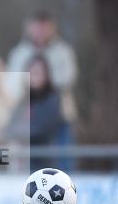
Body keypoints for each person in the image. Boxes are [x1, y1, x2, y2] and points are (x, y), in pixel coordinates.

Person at [5, 12, 78, 160]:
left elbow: (68, 78)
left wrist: (42, 81)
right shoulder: (19, 53)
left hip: (59, 116)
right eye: (37, 27)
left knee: (61, 160)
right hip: (27, 116)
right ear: (29, 28)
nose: (40, 32)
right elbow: (12, 82)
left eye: (45, 28)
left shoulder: (63, 52)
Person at [5, 55, 67, 171]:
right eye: (30, 73)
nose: (33, 77)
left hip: (43, 160)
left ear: (46, 75)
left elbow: (42, 129)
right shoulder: (23, 100)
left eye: (37, 73)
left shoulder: (52, 98)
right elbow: (9, 127)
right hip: (22, 160)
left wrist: (18, 134)